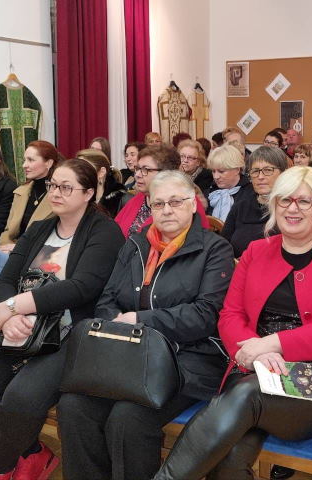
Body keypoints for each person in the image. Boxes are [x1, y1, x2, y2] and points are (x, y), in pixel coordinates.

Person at [152, 166, 312, 480]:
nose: (293, 209)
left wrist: (271, 344)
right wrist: (258, 355)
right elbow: (230, 315)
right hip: (255, 366)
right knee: (231, 453)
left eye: (304, 201)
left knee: (244, 398)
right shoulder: (256, 251)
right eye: (285, 200)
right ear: (274, 204)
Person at [58, 171, 235, 480]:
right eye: (158, 204)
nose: (166, 210)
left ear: (193, 204)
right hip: (129, 354)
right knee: (74, 406)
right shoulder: (137, 244)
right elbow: (108, 299)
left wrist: (140, 321)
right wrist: (119, 324)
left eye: (175, 202)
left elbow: (205, 315)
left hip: (187, 357)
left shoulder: (214, 249)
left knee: (128, 417)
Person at [0, 159, 125, 480]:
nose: (56, 193)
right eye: (52, 185)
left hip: (70, 333)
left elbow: (82, 288)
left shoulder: (105, 232)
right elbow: (6, 279)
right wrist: (9, 317)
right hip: (20, 326)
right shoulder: (39, 229)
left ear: (89, 193)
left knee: (21, 398)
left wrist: (14, 306)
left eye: (66, 187)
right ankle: (33, 453)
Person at [115, 144, 210, 237]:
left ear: (165, 173)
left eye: (145, 169)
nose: (137, 175)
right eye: (138, 169)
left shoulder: (185, 203)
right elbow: (115, 230)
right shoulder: (140, 197)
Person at [222, 146, 288, 257]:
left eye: (268, 170)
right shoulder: (241, 206)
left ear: (283, 173)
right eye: (255, 171)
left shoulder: (290, 209)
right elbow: (223, 244)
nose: (260, 177)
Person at [0, 141, 63, 252]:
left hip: (41, 254)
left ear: (48, 163)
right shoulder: (20, 192)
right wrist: (5, 249)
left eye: (31, 160)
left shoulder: (60, 195)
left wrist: (18, 249)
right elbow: (7, 232)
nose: (24, 165)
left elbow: (57, 238)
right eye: (24, 160)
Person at [205, 143, 251, 222]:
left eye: (221, 171)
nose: (216, 176)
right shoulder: (209, 192)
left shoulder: (250, 195)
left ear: (237, 170)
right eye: (213, 171)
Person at [77, 149, 128, 217]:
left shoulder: (121, 200)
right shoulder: (77, 199)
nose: (78, 174)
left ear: (101, 173)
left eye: (85, 169)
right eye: (77, 170)